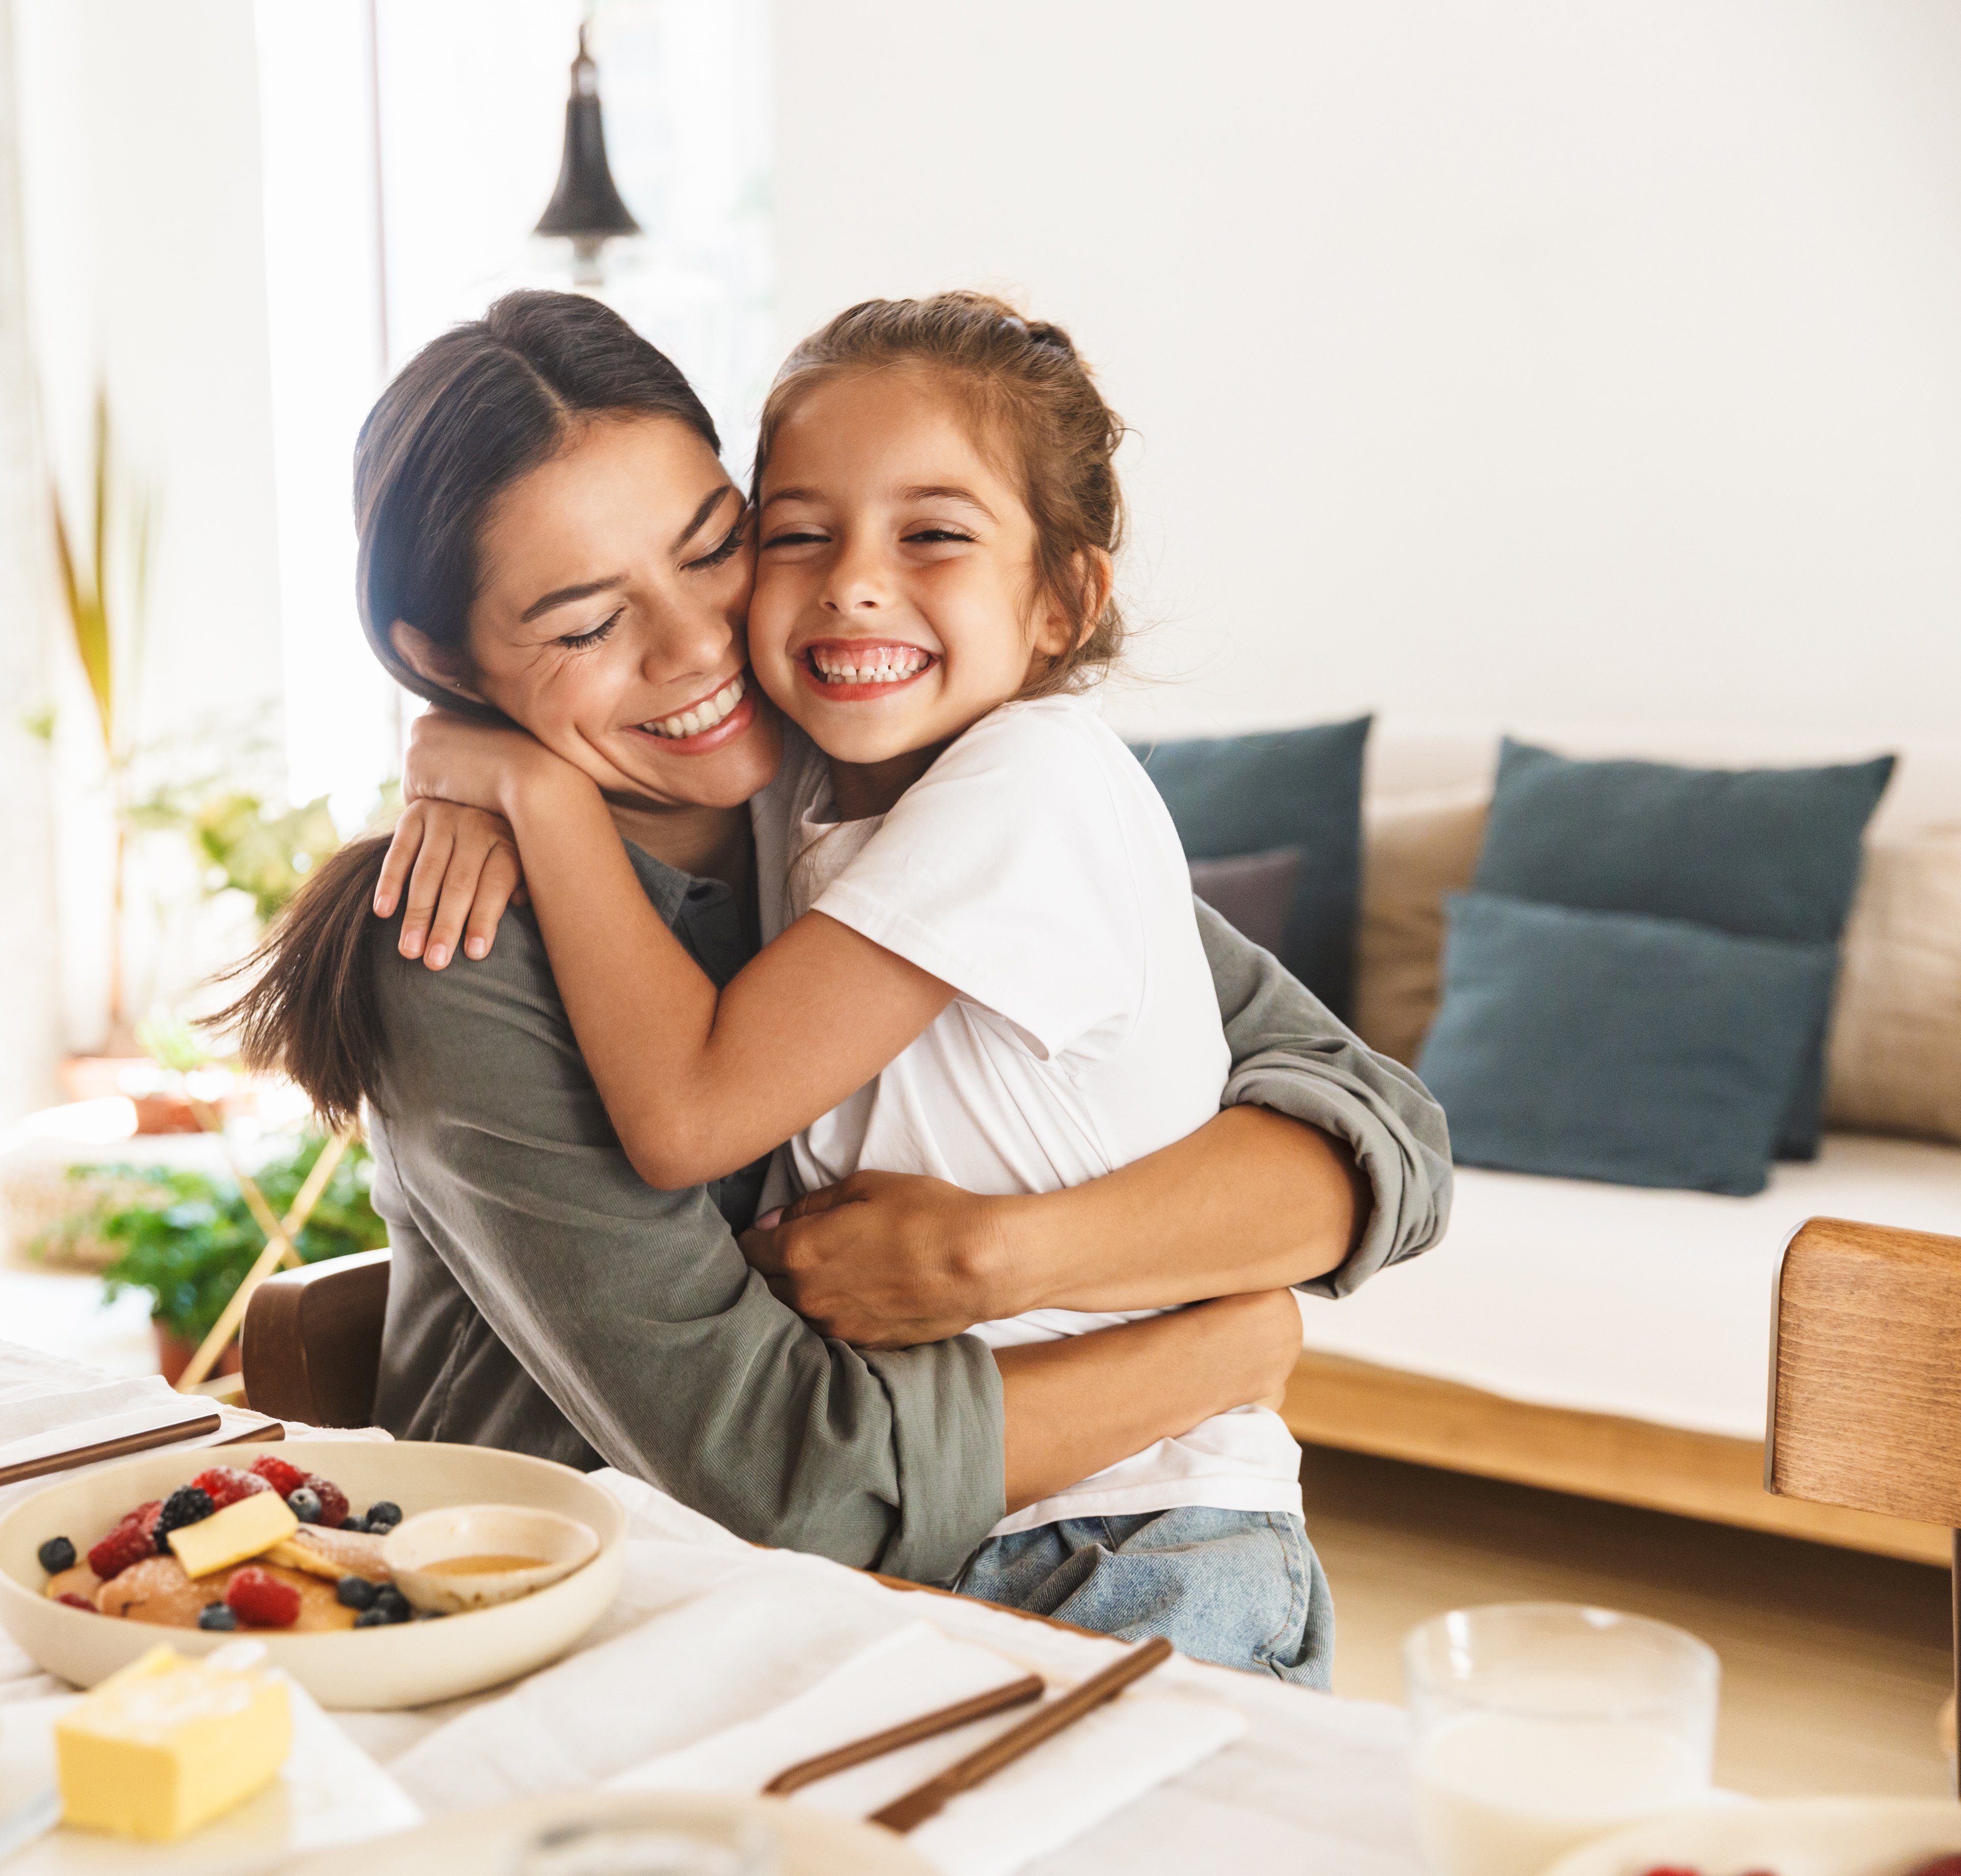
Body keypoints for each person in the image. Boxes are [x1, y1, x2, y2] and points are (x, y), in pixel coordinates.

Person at [212, 291, 1449, 1681]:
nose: (690, 650)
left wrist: (1002, 1257)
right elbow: (780, 1486)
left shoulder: (880, 789)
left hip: (949, 1593)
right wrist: (1217, 1347)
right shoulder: (461, 937)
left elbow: (1375, 1127)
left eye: (715, 550)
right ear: (443, 661)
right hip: (587, 1639)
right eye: (581, 623)